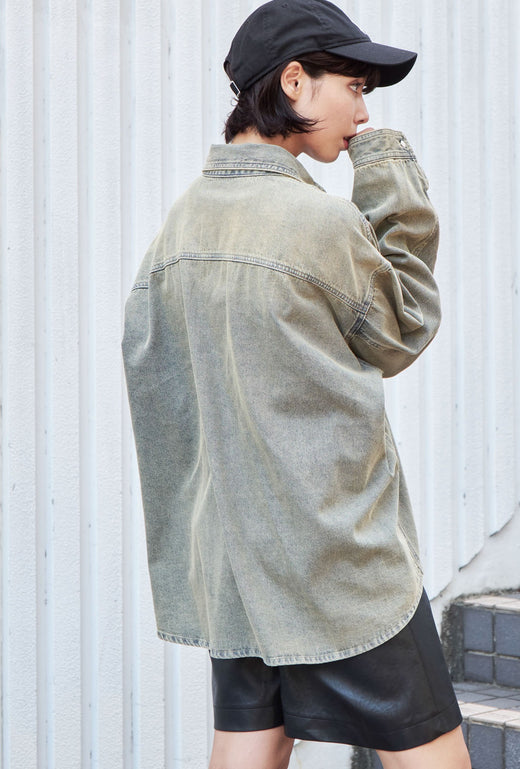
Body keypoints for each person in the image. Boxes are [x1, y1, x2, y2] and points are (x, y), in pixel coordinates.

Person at [122, 1, 471, 768]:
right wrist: (386, 174)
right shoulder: (316, 222)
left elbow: (156, 381)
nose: (363, 110)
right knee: (431, 751)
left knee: (249, 742)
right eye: (353, 85)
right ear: (292, 82)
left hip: (234, 555)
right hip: (334, 557)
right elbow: (401, 327)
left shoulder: (178, 228)